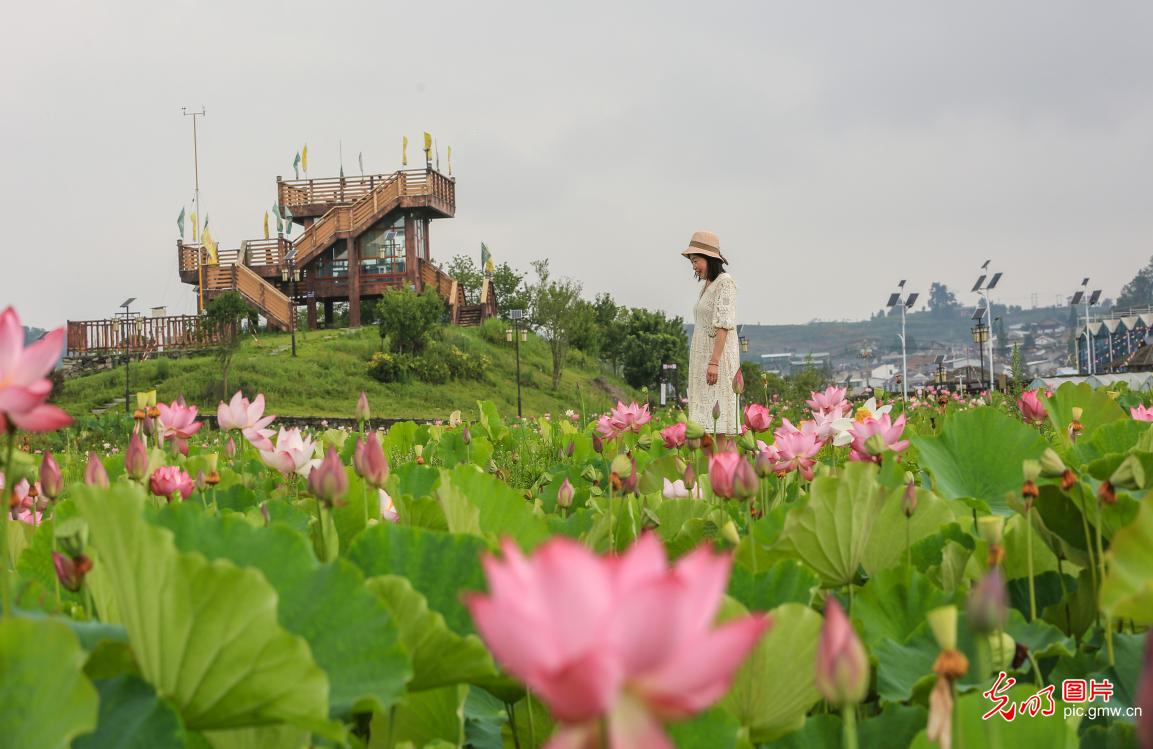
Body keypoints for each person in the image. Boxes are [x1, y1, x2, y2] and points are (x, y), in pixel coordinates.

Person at [682, 230, 739, 434]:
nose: (694, 266)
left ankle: (724, 465)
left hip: (717, 362)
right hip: (703, 360)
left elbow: (723, 325)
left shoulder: (725, 283)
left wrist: (714, 362)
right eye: (692, 262)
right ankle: (709, 466)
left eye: (696, 260)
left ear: (710, 258)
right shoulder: (708, 285)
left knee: (719, 428)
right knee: (705, 428)